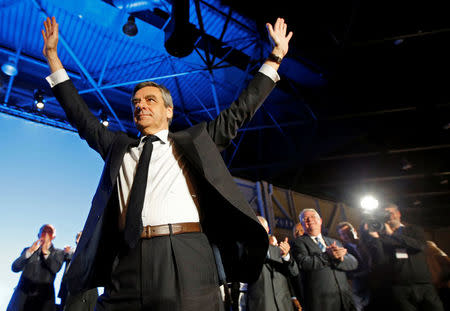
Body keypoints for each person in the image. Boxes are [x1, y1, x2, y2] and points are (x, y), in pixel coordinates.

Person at [41, 16, 293, 311]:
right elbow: (80, 116)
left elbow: (241, 110)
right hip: (126, 258)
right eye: (136, 102)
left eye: (150, 100)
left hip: (184, 255)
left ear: (169, 111)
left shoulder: (196, 141)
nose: (140, 105)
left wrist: (274, 58)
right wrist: (52, 56)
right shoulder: (119, 147)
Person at [362, 203, 444, 311]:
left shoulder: (413, 230)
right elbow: (379, 260)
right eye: (385, 214)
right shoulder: (381, 236)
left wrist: (393, 234)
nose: (389, 216)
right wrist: (375, 238)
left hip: (424, 284)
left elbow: (419, 246)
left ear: (398, 213)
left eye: (391, 213)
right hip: (399, 287)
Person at [291, 209, 357, 311]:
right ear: (302, 224)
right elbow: (304, 263)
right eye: (305, 218)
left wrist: (341, 258)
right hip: (322, 303)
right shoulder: (298, 243)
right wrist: (327, 256)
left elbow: (353, 263)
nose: (310, 220)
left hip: (345, 301)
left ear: (320, 220)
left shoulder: (335, 242)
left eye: (313, 216)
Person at [7, 224, 68, 311]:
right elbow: (15, 267)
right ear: (38, 234)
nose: (46, 234)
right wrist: (30, 251)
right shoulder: (28, 250)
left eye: (49, 232)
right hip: (21, 300)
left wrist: (45, 252)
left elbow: (55, 268)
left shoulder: (58, 253)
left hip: (43, 302)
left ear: (53, 236)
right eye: (43, 231)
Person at [246, 216, 300, 311]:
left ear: (267, 230)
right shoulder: (245, 250)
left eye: (261, 227)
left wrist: (286, 256)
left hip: (284, 305)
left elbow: (294, 273)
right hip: (261, 305)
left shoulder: (280, 250)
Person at [58, 231, 98, 311]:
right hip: (67, 290)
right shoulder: (71, 252)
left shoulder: (92, 254)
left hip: (85, 294)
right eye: (80, 238)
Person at [337, 221, 371, 311]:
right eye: (343, 234)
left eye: (349, 232)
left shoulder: (367, 244)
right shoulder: (343, 251)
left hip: (373, 283)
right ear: (341, 237)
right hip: (357, 286)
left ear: (354, 231)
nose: (347, 235)